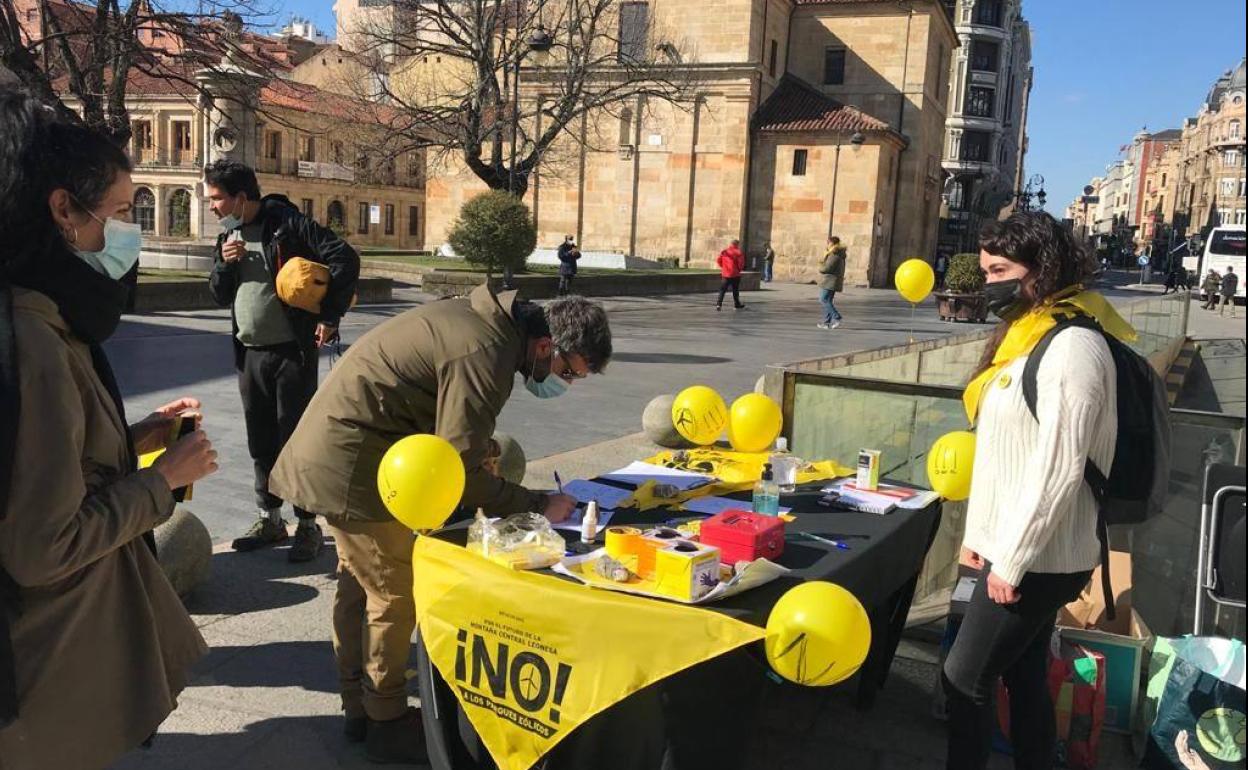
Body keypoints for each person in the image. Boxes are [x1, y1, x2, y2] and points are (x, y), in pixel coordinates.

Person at [268, 287, 610, 763]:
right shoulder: (487, 351)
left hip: (346, 451)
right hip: (354, 465)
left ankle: (358, 708)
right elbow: (459, 471)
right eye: (569, 373)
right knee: (392, 591)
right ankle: (386, 722)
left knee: (358, 585)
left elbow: (447, 422)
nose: (565, 384)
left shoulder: (485, 326)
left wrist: (482, 450)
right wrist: (537, 502)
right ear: (546, 346)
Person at [0, 87, 216, 769]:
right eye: (121, 213)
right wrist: (161, 483)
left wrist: (134, 435)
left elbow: (38, 460)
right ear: (63, 210)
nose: (130, 233)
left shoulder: (36, 315)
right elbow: (42, 546)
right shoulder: (32, 340)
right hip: (45, 675)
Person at [945, 210, 1129, 770]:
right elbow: (1006, 455)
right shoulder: (1030, 333)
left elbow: (1058, 468)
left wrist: (1013, 560)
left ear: (1040, 269)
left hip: (1039, 558)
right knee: (1023, 672)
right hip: (1021, 550)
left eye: (1000, 268)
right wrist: (980, 535)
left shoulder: (1072, 347)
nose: (990, 281)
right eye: (985, 269)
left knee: (963, 679)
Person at [204, 160, 360, 562]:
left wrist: (329, 315)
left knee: (297, 441)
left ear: (240, 197)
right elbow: (220, 295)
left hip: (292, 352)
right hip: (249, 353)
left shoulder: (289, 225)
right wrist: (225, 262)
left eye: (216, 199)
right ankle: (270, 519)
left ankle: (307, 526)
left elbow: (345, 258)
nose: (211, 207)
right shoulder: (229, 236)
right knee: (261, 440)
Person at [817, 236, 847, 330]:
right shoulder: (838, 253)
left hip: (829, 281)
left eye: (828, 242)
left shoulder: (834, 254)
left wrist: (820, 267)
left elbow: (827, 268)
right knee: (828, 301)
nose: (827, 244)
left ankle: (837, 317)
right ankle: (826, 323)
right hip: (832, 281)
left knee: (823, 300)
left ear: (832, 243)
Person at [715, 239, 746, 310]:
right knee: (735, 290)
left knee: (722, 290)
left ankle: (719, 304)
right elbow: (741, 263)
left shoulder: (724, 252)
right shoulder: (738, 252)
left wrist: (723, 267)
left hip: (726, 274)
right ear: (737, 244)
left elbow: (719, 260)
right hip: (735, 274)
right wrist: (739, 269)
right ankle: (737, 304)